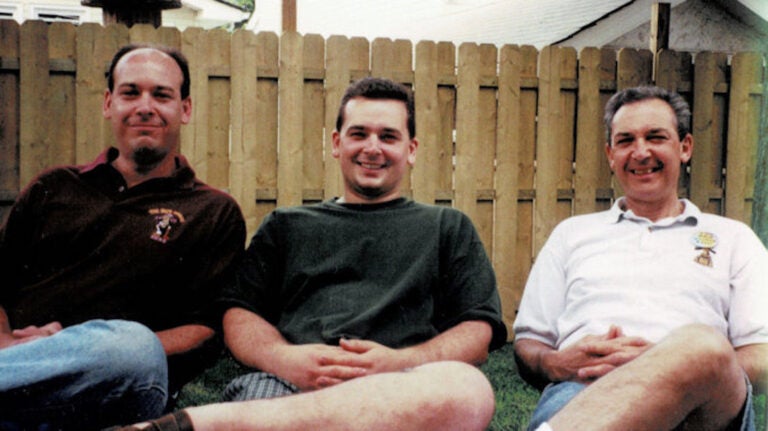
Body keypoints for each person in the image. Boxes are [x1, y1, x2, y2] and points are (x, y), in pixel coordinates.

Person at [114, 76, 506, 431]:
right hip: (287, 385)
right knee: (262, 400)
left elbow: (478, 331)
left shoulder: (447, 227)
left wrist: (399, 362)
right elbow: (239, 314)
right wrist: (286, 359)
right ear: (337, 144)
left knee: (467, 390)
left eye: (388, 136)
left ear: (411, 149)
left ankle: (196, 425)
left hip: (404, 388)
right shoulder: (288, 225)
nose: (372, 148)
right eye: (359, 134)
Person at [0, 44, 246, 430]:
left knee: (133, 345)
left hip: (118, 389)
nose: (145, 106)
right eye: (131, 92)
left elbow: (205, 330)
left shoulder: (212, 211)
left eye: (161, 95)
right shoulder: (53, 187)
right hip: (18, 385)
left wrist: (70, 346)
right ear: (108, 103)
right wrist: (9, 346)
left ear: (185, 109)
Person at [513, 85, 768, 431]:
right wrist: (554, 363)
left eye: (656, 137)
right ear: (610, 154)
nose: (641, 152)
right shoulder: (571, 235)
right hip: (585, 392)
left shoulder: (734, 238)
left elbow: (761, 354)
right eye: (625, 140)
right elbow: (530, 344)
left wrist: (670, 364)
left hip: (702, 409)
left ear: (685, 147)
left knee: (701, 345)